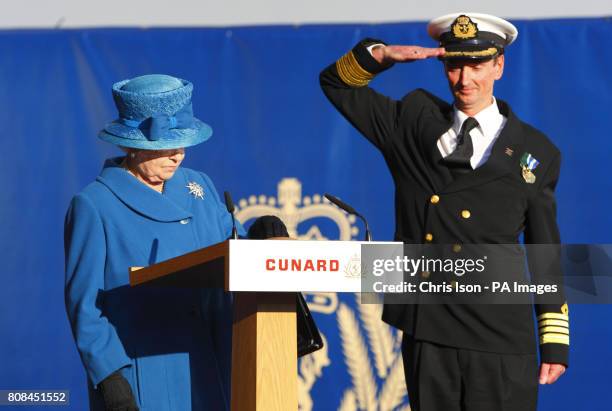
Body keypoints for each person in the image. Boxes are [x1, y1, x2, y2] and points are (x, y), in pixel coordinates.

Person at [320, 12, 569, 411]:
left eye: (477, 65)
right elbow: (335, 82)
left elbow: (545, 251)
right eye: (454, 65)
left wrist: (554, 339)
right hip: (429, 329)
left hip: (499, 333)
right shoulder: (412, 123)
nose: (464, 79)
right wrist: (382, 55)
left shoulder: (536, 152)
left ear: (498, 65)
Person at [64, 74, 249, 411]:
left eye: (183, 144)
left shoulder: (201, 186)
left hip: (214, 361)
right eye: (167, 146)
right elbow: (85, 305)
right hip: (146, 370)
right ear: (132, 145)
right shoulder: (94, 204)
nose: (178, 156)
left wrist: (263, 237)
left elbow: (240, 253)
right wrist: (110, 377)